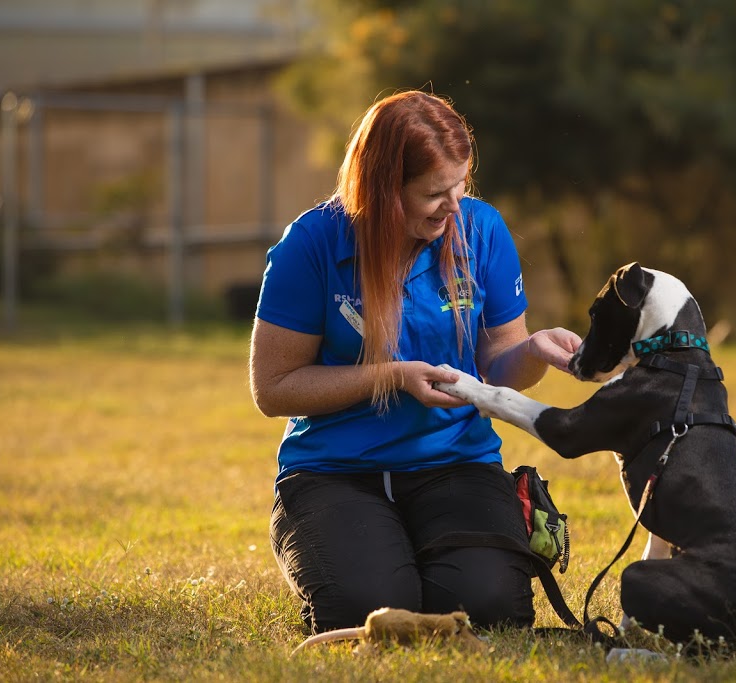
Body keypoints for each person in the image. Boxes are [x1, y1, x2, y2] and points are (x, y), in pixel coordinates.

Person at [249, 90, 582, 635]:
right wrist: (391, 378)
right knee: (370, 610)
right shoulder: (309, 244)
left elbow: (497, 370)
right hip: (335, 472)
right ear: (383, 192)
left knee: (491, 610)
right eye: (434, 192)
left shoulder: (482, 230)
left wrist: (533, 352)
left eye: (461, 185)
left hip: (456, 464)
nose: (455, 206)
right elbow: (274, 388)